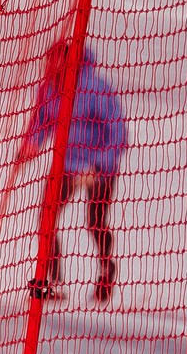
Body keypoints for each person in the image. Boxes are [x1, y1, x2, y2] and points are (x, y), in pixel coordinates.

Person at [21, 39, 128, 302]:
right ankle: (53, 281)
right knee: (47, 219)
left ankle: (106, 271)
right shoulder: (49, 88)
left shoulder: (95, 88)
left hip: (98, 167)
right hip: (66, 165)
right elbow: (42, 120)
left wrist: (102, 164)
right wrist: (30, 145)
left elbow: (117, 132)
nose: (49, 67)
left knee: (95, 223)